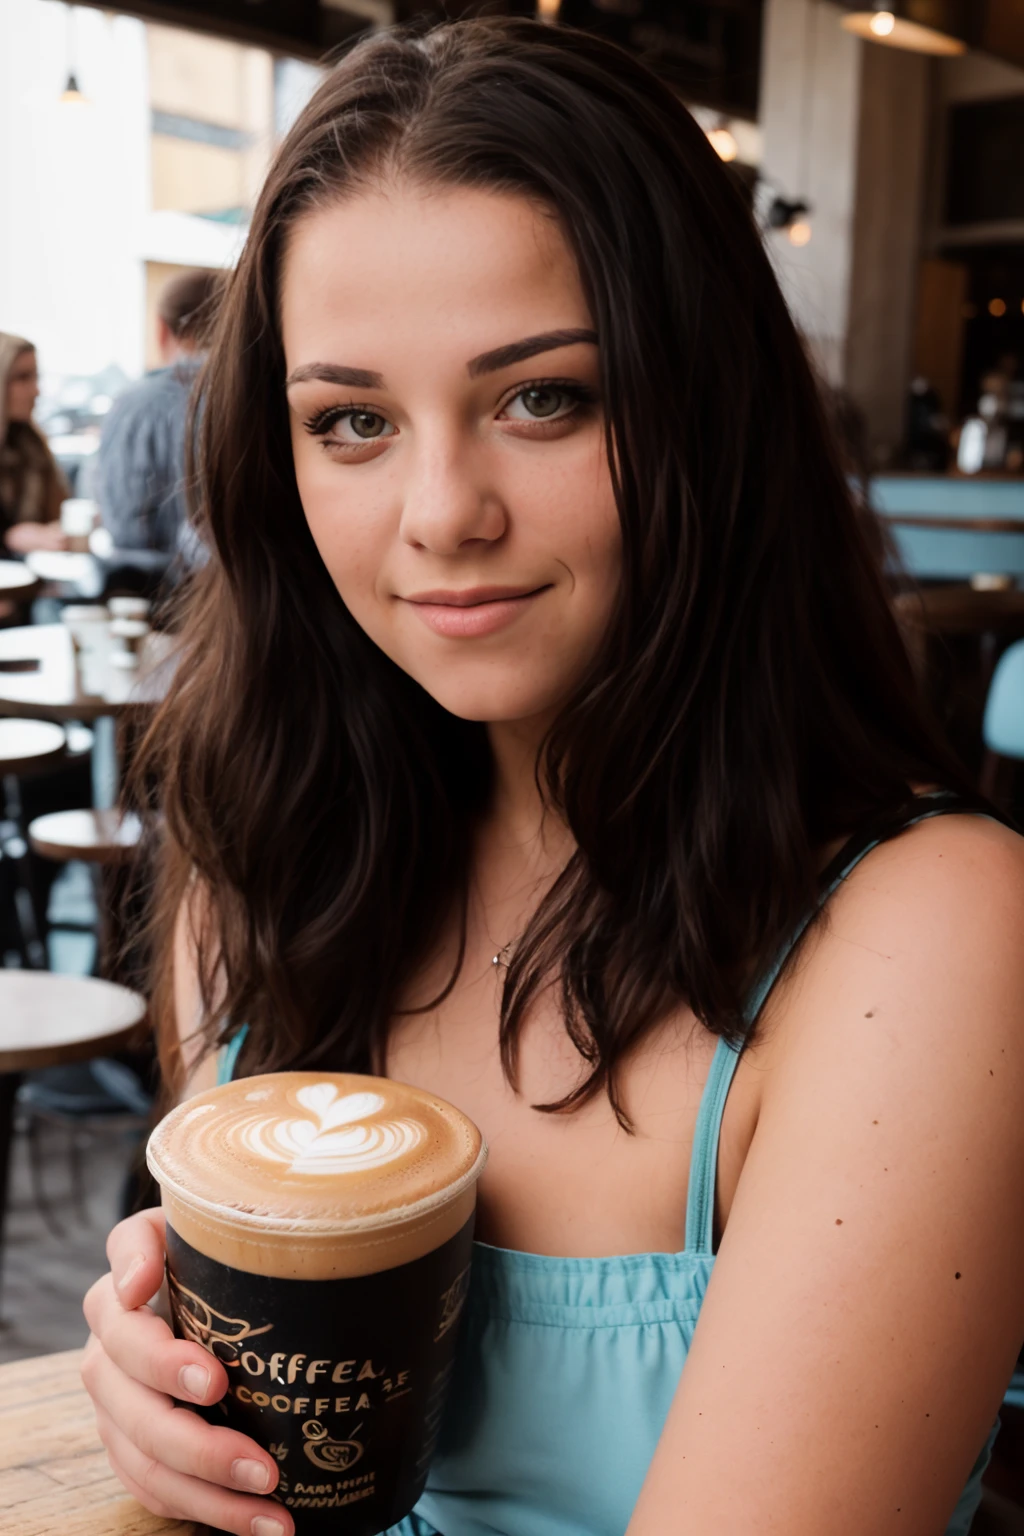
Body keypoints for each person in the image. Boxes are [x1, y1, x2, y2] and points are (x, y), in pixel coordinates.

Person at [81, 20, 1024, 1536]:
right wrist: (161, 1411)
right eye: (354, 422)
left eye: (544, 399)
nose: (442, 511)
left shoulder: (927, 938)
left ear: (707, 409)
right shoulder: (265, 866)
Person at [95, 268, 221, 560]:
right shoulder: (267, 397)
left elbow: (125, 526)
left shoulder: (137, 405)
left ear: (162, 330)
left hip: (156, 595)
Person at [0, 333, 69, 553]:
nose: (36, 391)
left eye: (36, 377)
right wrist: (8, 538)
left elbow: (56, 509)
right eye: (22, 378)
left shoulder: (32, 444)